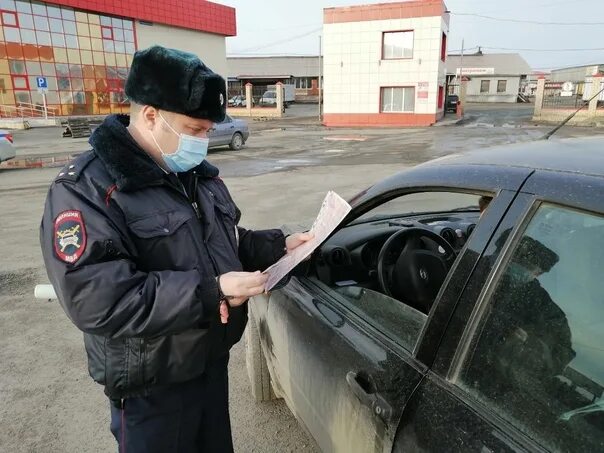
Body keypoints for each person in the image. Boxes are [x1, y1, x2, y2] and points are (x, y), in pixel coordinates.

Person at [39, 45, 312, 452]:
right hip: (152, 386)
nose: (204, 141)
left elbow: (225, 241)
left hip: (208, 366)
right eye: (196, 130)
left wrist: (279, 244)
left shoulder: (195, 176)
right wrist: (211, 291)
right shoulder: (88, 189)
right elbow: (98, 299)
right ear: (151, 116)